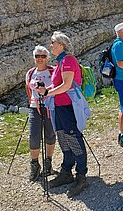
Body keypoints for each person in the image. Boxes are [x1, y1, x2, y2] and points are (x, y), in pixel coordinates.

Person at [38, 31, 91, 198]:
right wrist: (46, 91)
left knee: (73, 137)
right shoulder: (60, 62)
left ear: (62, 44)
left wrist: (46, 92)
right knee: (63, 138)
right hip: (60, 107)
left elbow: (67, 84)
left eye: (53, 42)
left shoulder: (68, 60)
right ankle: (66, 171)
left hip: (68, 107)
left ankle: (81, 175)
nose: (51, 45)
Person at [25, 45, 56, 182]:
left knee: (50, 134)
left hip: (50, 106)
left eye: (43, 56)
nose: (40, 59)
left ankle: (48, 162)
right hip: (34, 107)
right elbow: (28, 90)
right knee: (34, 135)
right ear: (34, 58)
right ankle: (35, 164)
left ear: (47, 58)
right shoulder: (30, 73)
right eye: (37, 56)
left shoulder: (52, 71)